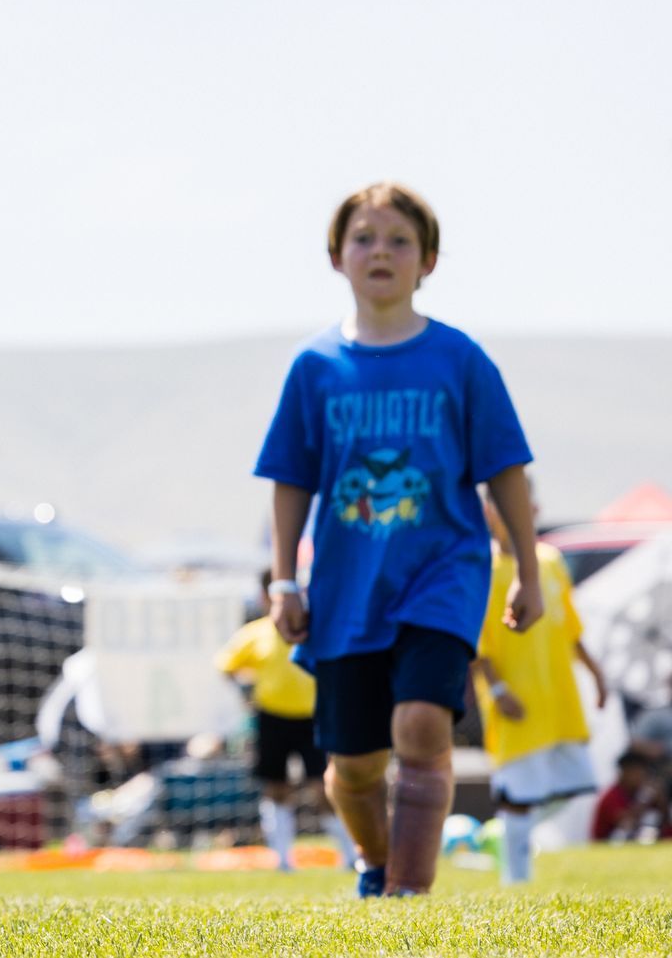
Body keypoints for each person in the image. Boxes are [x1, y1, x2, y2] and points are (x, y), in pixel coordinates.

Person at [255, 182, 542, 898]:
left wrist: (527, 572)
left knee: (420, 724)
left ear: (429, 260)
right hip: (347, 587)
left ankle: (407, 899)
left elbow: (506, 470)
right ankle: (377, 862)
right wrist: (284, 579)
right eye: (363, 238)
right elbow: (291, 480)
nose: (380, 251)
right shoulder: (314, 368)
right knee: (351, 768)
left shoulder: (460, 359)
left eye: (399, 240)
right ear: (335, 256)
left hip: (443, 571)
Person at [470, 476, 606, 883]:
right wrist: (496, 688)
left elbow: (569, 626)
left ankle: (502, 833)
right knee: (520, 792)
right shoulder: (484, 568)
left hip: (556, 696)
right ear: (489, 512)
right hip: (515, 700)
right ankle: (516, 878)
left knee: (577, 782)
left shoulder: (548, 560)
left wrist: (597, 674)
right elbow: (478, 641)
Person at [215, 570, 353, 871]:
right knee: (276, 787)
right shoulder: (255, 632)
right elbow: (226, 666)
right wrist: (246, 693)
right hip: (272, 718)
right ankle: (281, 859)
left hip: (314, 718)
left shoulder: (316, 629)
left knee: (324, 787)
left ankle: (350, 856)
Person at [591, 750, 667, 842]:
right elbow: (626, 822)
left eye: (643, 773)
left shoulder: (637, 791)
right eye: (636, 773)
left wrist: (660, 801)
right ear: (624, 772)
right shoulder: (611, 796)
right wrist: (645, 798)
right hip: (607, 848)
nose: (640, 777)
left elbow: (664, 821)